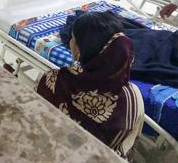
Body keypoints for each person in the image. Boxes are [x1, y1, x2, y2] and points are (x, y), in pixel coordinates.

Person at [36, 11, 144, 159]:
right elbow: (129, 143)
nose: (69, 42)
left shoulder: (52, 79)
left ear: (80, 49)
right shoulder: (132, 97)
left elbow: (38, 120)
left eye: (73, 38)